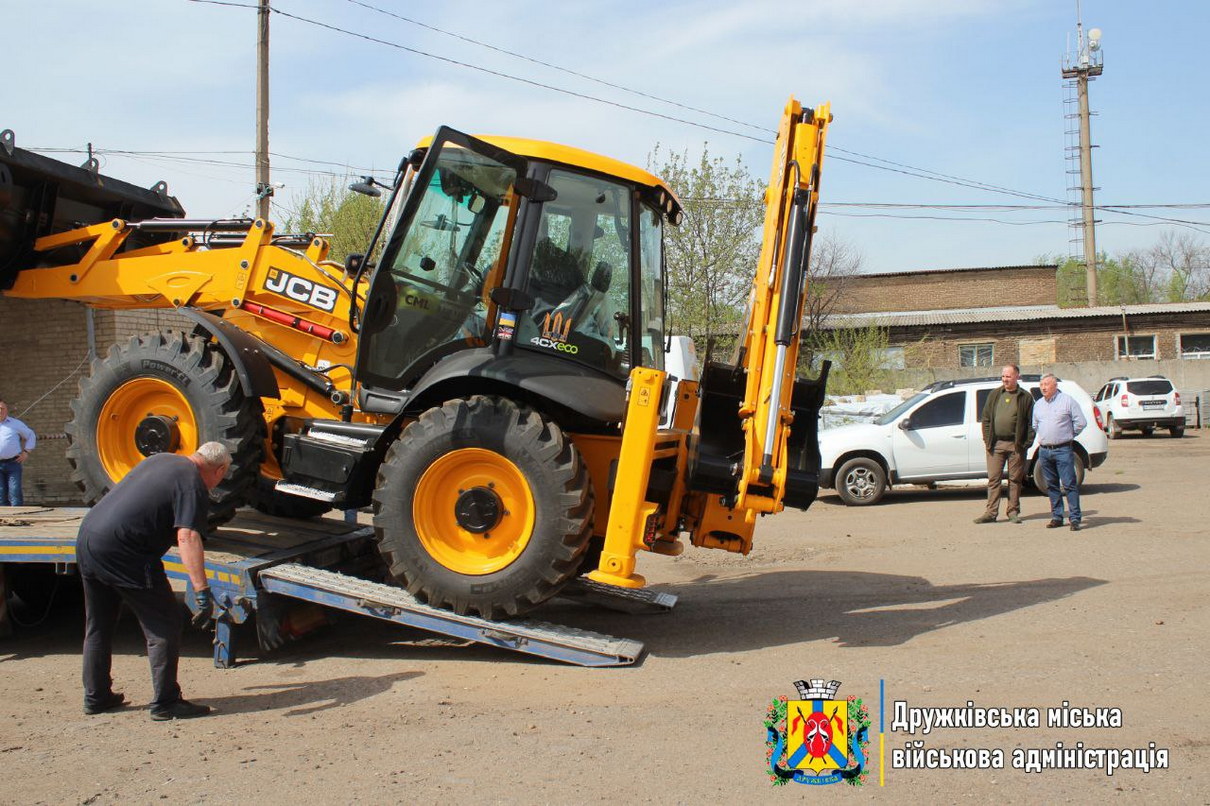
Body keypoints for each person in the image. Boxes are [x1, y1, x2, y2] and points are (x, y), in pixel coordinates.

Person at [76, 442, 230, 720]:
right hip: (125, 551)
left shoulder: (160, 460)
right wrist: (202, 590)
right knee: (164, 623)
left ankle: (96, 697)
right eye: (223, 476)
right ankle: (166, 703)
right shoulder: (192, 482)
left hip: (89, 537)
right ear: (219, 470)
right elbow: (187, 537)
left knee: (98, 623)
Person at [974, 365, 1035, 524]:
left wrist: (1026, 443)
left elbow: (1031, 423)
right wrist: (988, 440)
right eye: (1003, 376)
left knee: (1015, 480)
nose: (1005, 379)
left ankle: (1013, 511)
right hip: (996, 444)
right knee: (994, 480)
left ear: (1016, 377)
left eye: (1008, 376)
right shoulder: (995, 394)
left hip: (1016, 445)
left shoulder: (1025, 397)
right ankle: (991, 513)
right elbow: (986, 419)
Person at [1032, 374, 1087, 531]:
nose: (1043, 387)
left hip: (1063, 449)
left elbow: (1081, 422)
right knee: (1051, 485)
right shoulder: (1039, 404)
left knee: (1069, 484)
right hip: (1044, 451)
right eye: (1041, 384)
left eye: (1047, 384)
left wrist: (1069, 435)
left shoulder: (1067, 401)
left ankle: (1075, 518)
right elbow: (1035, 425)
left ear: (1055, 386)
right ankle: (1057, 516)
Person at [0, 398, 37, 507]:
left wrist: (26, 452)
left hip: (13, 463)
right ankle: (3, 520)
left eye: (2, 408)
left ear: (6, 410)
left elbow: (31, 435)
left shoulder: (15, 424)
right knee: (0, 494)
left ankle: (17, 517)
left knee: (15, 491)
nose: (0, 411)